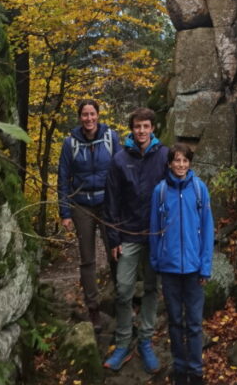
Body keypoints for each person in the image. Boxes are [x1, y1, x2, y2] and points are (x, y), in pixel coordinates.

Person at [103, 106, 169, 373]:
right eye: (137, 127)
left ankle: (145, 341)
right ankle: (122, 341)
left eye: (146, 126)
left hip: (155, 235)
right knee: (123, 289)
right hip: (128, 234)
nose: (141, 131)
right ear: (131, 129)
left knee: (152, 288)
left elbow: (173, 195)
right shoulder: (119, 160)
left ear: (152, 128)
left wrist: (168, 234)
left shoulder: (164, 156)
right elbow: (111, 201)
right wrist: (114, 238)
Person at [149, 143, 213, 385]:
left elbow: (207, 229)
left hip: (195, 270)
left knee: (194, 323)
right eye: (177, 161)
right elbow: (154, 229)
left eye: (185, 161)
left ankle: (196, 371)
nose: (181, 165)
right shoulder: (160, 191)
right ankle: (180, 368)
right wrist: (156, 261)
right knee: (175, 322)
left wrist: (205, 266)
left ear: (190, 163)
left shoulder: (199, 189)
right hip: (169, 269)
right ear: (169, 163)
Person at [57, 99, 121, 331]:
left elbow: (121, 169)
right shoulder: (70, 143)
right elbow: (62, 178)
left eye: (92, 114)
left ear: (98, 115)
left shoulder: (110, 138)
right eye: (85, 114)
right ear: (80, 117)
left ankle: (121, 301)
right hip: (81, 204)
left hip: (107, 203)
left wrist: (121, 204)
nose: (89, 118)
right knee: (87, 258)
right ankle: (93, 308)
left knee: (116, 251)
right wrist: (64, 212)